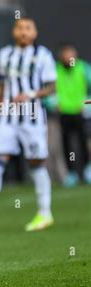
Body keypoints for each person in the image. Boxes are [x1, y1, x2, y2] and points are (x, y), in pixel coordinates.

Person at [0, 17, 57, 232]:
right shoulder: (5, 54)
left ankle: (45, 213)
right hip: (7, 117)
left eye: (27, 28)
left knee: (36, 164)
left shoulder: (43, 55)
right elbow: (1, 84)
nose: (23, 31)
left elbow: (52, 86)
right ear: (14, 31)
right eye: (19, 27)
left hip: (32, 117)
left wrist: (32, 94)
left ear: (34, 33)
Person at [48, 44, 91, 186]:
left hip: (81, 112)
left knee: (84, 142)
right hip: (64, 113)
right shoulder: (55, 70)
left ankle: (87, 170)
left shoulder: (83, 68)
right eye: (66, 55)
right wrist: (53, 102)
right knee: (66, 143)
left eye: (71, 54)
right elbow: (48, 90)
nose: (69, 58)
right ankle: (71, 174)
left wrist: (86, 103)